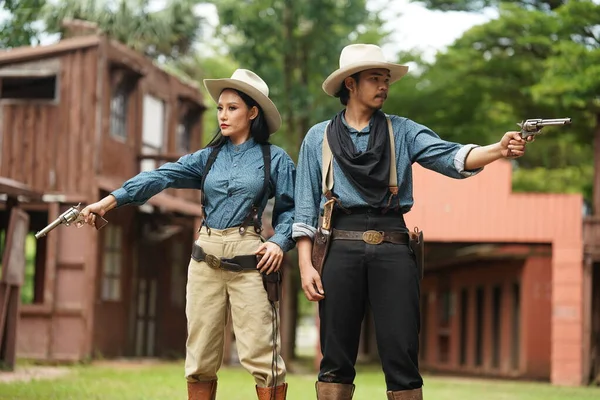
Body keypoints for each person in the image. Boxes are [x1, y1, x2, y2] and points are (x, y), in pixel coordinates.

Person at [292, 44, 533, 400]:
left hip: (393, 243)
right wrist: (305, 265)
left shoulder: (402, 131)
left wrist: (497, 149)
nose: (383, 86)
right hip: (339, 245)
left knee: (402, 351)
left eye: (386, 79)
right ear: (350, 85)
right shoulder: (317, 137)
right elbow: (304, 207)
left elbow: (450, 156)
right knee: (335, 355)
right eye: (375, 78)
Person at [81, 69, 296, 400]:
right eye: (220, 108)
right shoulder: (207, 158)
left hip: (251, 261)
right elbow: (162, 176)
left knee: (262, 356)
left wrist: (280, 242)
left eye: (233, 108)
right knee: (199, 358)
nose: (223, 115)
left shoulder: (274, 158)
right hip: (205, 261)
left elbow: (292, 210)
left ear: (253, 112)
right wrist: (110, 201)